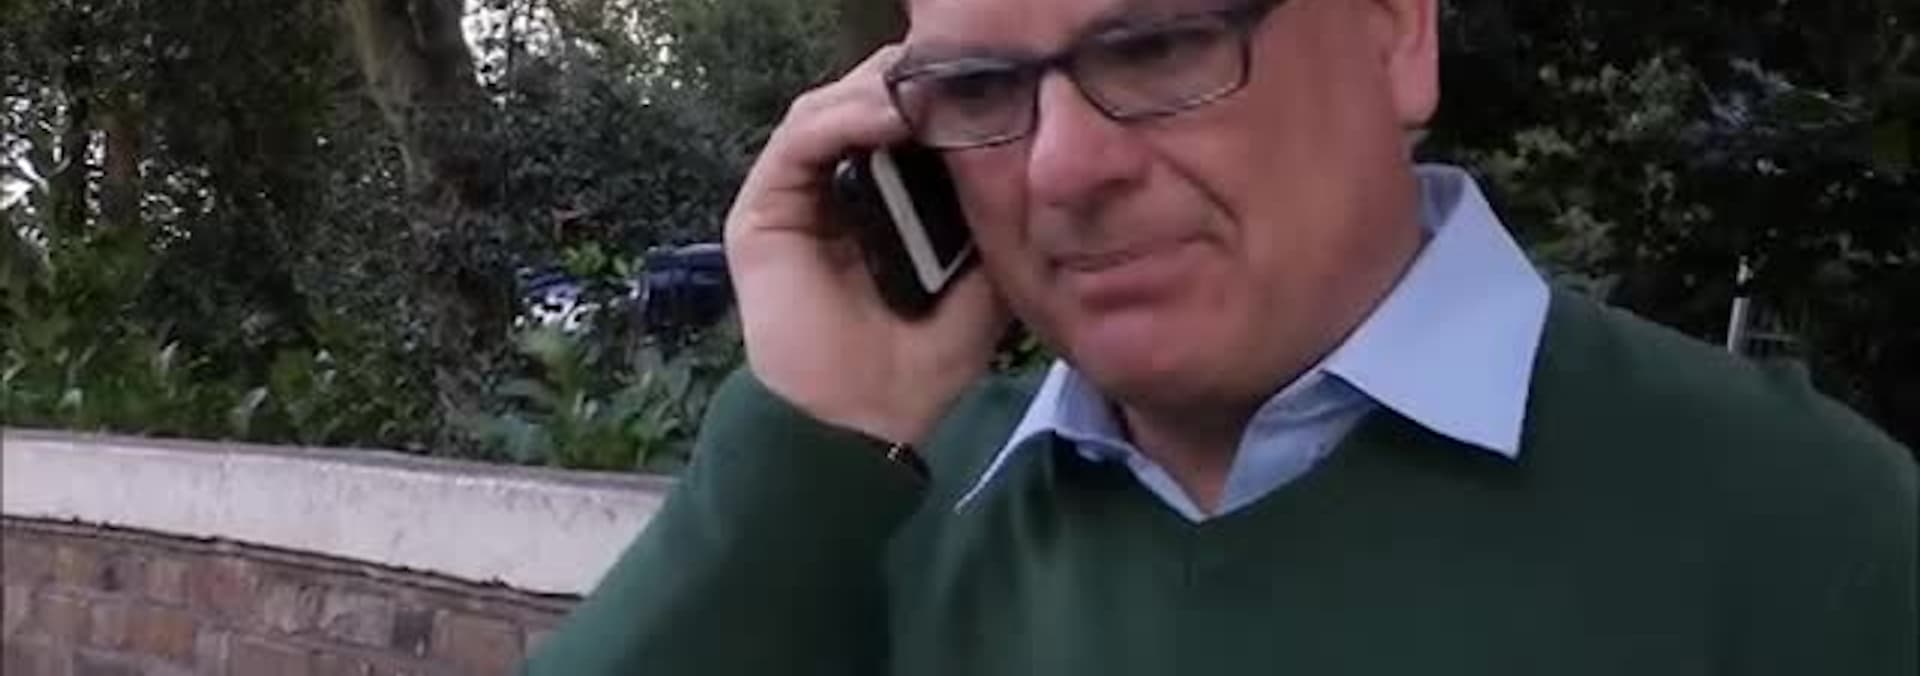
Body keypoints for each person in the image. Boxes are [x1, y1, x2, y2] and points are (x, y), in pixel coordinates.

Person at [525, 0, 1918, 673]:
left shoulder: (1809, 532)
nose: (1062, 167)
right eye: (982, 88)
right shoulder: (876, 526)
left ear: (1395, 33)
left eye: (1159, 47)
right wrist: (808, 451)